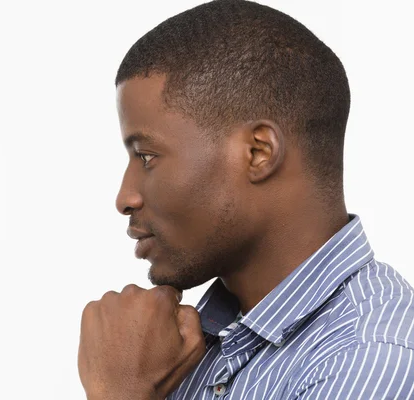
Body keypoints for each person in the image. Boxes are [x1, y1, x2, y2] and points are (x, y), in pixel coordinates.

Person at [77, 0, 414, 399]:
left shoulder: (368, 357)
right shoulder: (176, 346)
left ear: (258, 153)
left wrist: (121, 391)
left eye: (147, 157)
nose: (124, 197)